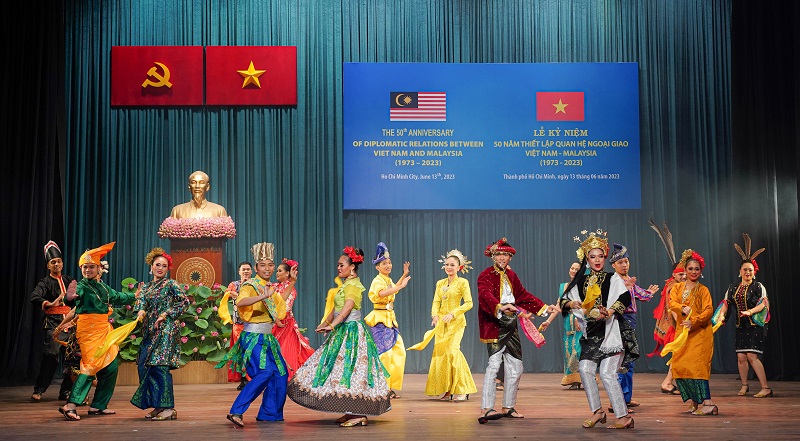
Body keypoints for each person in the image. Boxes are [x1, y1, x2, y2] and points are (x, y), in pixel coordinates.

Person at [287, 246, 392, 427]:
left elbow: (347, 308)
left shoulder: (354, 285)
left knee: (352, 370)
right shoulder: (346, 284)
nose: (338, 268)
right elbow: (336, 309)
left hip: (351, 332)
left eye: (341, 265)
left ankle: (359, 413)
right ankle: (350, 411)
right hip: (342, 330)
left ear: (352, 267)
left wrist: (332, 325)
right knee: (342, 370)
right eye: (338, 265)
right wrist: (325, 323)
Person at [560, 230, 635, 429]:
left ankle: (624, 417)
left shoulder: (612, 278)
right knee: (585, 370)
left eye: (600, 256)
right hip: (591, 334)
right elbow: (563, 301)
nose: (597, 260)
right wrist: (572, 304)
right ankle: (598, 412)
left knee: (608, 373)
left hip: (610, 332)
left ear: (605, 257)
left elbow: (625, 297)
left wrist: (610, 311)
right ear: (587, 258)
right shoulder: (580, 281)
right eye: (593, 257)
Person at [476, 238, 555, 424]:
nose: (502, 258)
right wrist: (500, 306)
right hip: (495, 323)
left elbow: (522, 295)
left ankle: (508, 406)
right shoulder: (486, 275)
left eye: (506, 255)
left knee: (516, 366)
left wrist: (544, 308)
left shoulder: (512, 275)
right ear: (493, 256)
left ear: (510, 257)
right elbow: (484, 294)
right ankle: (486, 408)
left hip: (511, 323)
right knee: (494, 365)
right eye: (499, 254)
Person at [57, 242, 138, 421]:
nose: (88, 270)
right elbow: (71, 299)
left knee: (111, 367)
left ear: (98, 268)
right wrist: (69, 297)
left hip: (104, 331)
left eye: (91, 267)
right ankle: (70, 405)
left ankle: (98, 405)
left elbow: (118, 296)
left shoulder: (103, 287)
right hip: (88, 332)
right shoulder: (82, 286)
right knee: (91, 366)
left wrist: (135, 295)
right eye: (85, 267)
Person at [219, 242, 288, 428]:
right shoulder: (250, 285)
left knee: (280, 373)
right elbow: (241, 302)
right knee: (265, 372)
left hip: (268, 338)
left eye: (270, 265)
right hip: (253, 337)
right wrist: (262, 296)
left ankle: (269, 414)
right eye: (263, 265)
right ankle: (236, 411)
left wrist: (276, 318)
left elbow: (278, 303)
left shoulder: (269, 286)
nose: (267, 268)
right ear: (256, 268)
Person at [410, 249, 476, 403]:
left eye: (452, 265)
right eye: (447, 264)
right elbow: (436, 301)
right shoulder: (440, 283)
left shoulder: (463, 282)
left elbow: (469, 303)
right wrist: (434, 315)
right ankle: (448, 390)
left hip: (456, 323)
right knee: (442, 355)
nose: (449, 267)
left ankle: (463, 389)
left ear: (459, 267)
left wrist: (453, 313)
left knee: (453, 352)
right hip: (441, 324)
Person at [130, 248, 189, 421]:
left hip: (166, 330)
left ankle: (168, 407)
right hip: (149, 331)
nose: (160, 268)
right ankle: (158, 405)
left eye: (164, 266)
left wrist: (166, 314)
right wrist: (140, 311)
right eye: (157, 265)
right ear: (151, 266)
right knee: (145, 367)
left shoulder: (171, 284)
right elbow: (140, 303)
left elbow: (184, 302)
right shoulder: (146, 287)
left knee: (160, 367)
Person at [717, 233, 771, 398]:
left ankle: (766, 388)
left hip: (754, 326)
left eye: (750, 270)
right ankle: (744, 385)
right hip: (740, 326)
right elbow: (726, 303)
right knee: (741, 356)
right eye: (745, 269)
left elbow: (764, 304)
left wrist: (750, 311)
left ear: (754, 272)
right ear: (740, 271)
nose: (748, 272)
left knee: (752, 356)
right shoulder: (733, 288)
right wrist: (721, 316)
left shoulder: (758, 286)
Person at [665, 249, 718, 415]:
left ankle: (708, 403)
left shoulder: (703, 290)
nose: (694, 272)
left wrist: (694, 320)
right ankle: (695, 402)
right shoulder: (677, 288)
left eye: (697, 269)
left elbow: (708, 311)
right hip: (683, 334)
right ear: (685, 271)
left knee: (698, 368)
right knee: (681, 366)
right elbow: (672, 303)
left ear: (701, 271)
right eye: (690, 269)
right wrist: (682, 308)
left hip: (700, 334)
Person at [608, 243, 659, 409]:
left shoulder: (627, 280)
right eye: (620, 262)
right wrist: (624, 288)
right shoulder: (614, 281)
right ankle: (617, 402)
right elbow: (612, 300)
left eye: (626, 261)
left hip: (630, 322)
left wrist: (649, 293)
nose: (624, 265)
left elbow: (641, 294)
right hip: (620, 322)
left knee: (629, 362)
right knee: (621, 361)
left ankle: (626, 398)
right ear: (613, 265)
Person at [29, 241, 76, 401]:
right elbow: (35, 297)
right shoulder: (45, 282)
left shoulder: (69, 280)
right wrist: (51, 303)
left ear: (62, 263)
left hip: (70, 324)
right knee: (51, 356)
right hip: (53, 324)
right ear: (48, 265)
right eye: (53, 262)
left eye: (58, 261)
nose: (56, 264)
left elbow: (78, 296)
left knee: (72, 359)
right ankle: (39, 389)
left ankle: (65, 391)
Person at [365, 242, 410, 398]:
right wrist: (400, 287)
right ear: (378, 267)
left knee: (399, 352)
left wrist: (404, 275)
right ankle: (381, 388)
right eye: (384, 263)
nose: (388, 265)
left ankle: (389, 386)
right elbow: (382, 293)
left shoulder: (387, 280)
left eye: (389, 262)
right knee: (385, 354)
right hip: (380, 319)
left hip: (390, 320)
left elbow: (393, 288)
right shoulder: (377, 281)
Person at [647, 218, 685, 394]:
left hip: (674, 324)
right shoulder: (673, 287)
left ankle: (671, 382)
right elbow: (673, 308)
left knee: (679, 353)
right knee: (678, 353)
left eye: (685, 274)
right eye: (680, 274)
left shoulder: (674, 284)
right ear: (674, 274)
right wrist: (681, 326)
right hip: (673, 325)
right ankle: (668, 382)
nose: (683, 276)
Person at [541, 260, 583, 389]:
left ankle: (580, 379)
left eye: (577, 269)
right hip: (567, 322)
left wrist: (579, 317)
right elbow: (558, 306)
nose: (574, 271)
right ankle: (573, 379)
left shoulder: (583, 286)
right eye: (572, 268)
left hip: (580, 321)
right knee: (568, 350)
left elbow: (586, 304)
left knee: (578, 350)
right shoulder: (564, 287)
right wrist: (548, 321)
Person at [272, 258, 313, 379]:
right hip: (274, 323)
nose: (277, 273)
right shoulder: (274, 286)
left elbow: (285, 307)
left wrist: (276, 318)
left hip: (285, 325)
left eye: (280, 271)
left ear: (287, 273)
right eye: (277, 270)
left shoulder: (291, 289)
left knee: (286, 352)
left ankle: (286, 378)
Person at [221, 261, 253, 390]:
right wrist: (233, 294)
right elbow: (227, 294)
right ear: (239, 272)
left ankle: (254, 378)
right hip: (239, 324)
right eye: (243, 269)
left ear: (252, 271)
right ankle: (244, 379)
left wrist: (238, 296)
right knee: (241, 350)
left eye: (248, 269)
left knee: (253, 350)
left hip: (254, 323)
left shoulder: (255, 284)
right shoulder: (234, 285)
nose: (246, 271)